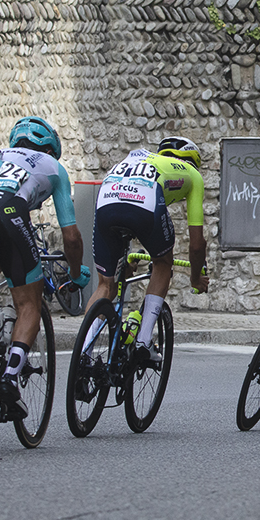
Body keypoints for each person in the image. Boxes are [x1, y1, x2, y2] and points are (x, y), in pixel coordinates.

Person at [0, 116, 91, 420]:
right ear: (50, 146)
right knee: (29, 301)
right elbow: (71, 235)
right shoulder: (53, 167)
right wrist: (76, 271)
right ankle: (10, 378)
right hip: (7, 211)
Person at [85, 136, 209, 369]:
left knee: (106, 285)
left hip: (106, 200)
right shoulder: (192, 174)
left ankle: (83, 354)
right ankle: (143, 342)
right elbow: (196, 244)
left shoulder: (138, 159)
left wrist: (123, 262)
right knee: (162, 263)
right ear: (192, 159)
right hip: (144, 203)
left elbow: (125, 205)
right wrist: (195, 277)